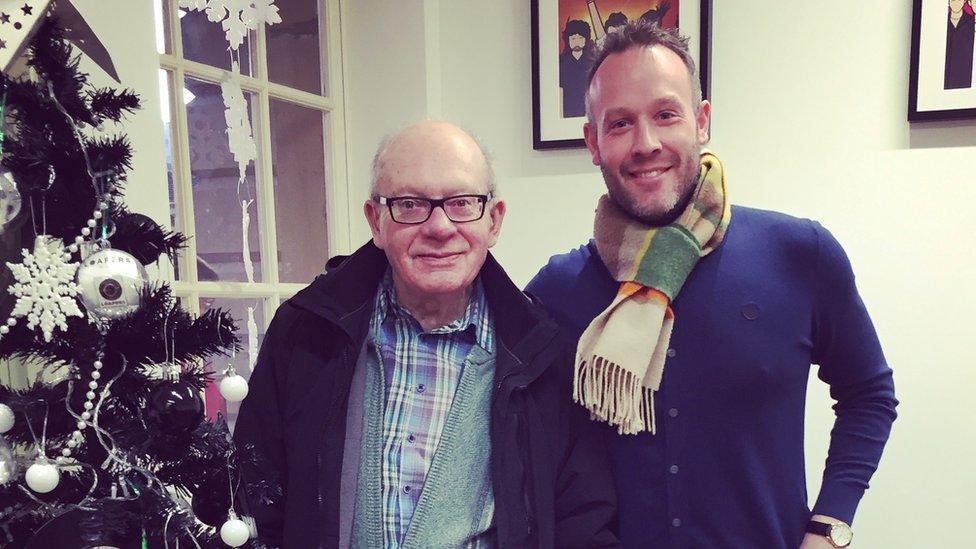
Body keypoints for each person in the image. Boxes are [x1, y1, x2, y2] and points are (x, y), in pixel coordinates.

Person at [526, 21, 897, 549]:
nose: (645, 143)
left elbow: (870, 393)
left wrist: (830, 525)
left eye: (665, 115)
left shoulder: (799, 255)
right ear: (592, 142)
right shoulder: (557, 293)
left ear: (701, 122)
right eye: (620, 123)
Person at [234, 121, 618, 548]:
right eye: (410, 204)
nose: (439, 227)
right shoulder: (305, 334)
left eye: (461, 202)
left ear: (494, 220)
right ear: (376, 221)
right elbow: (253, 499)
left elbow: (582, 523)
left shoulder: (546, 356)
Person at [559, 19, 596, 118]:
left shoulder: (593, 61)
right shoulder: (561, 62)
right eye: (573, 39)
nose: (576, 42)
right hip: (567, 107)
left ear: (586, 39)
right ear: (568, 40)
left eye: (580, 38)